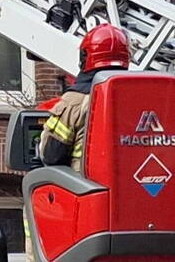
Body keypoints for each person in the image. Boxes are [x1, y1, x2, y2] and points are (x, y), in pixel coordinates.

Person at [25, 23, 131, 262]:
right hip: (139, 211)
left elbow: (51, 153)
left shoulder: (74, 101)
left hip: (88, 208)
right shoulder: (147, 98)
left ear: (85, 58)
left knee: (35, 194)